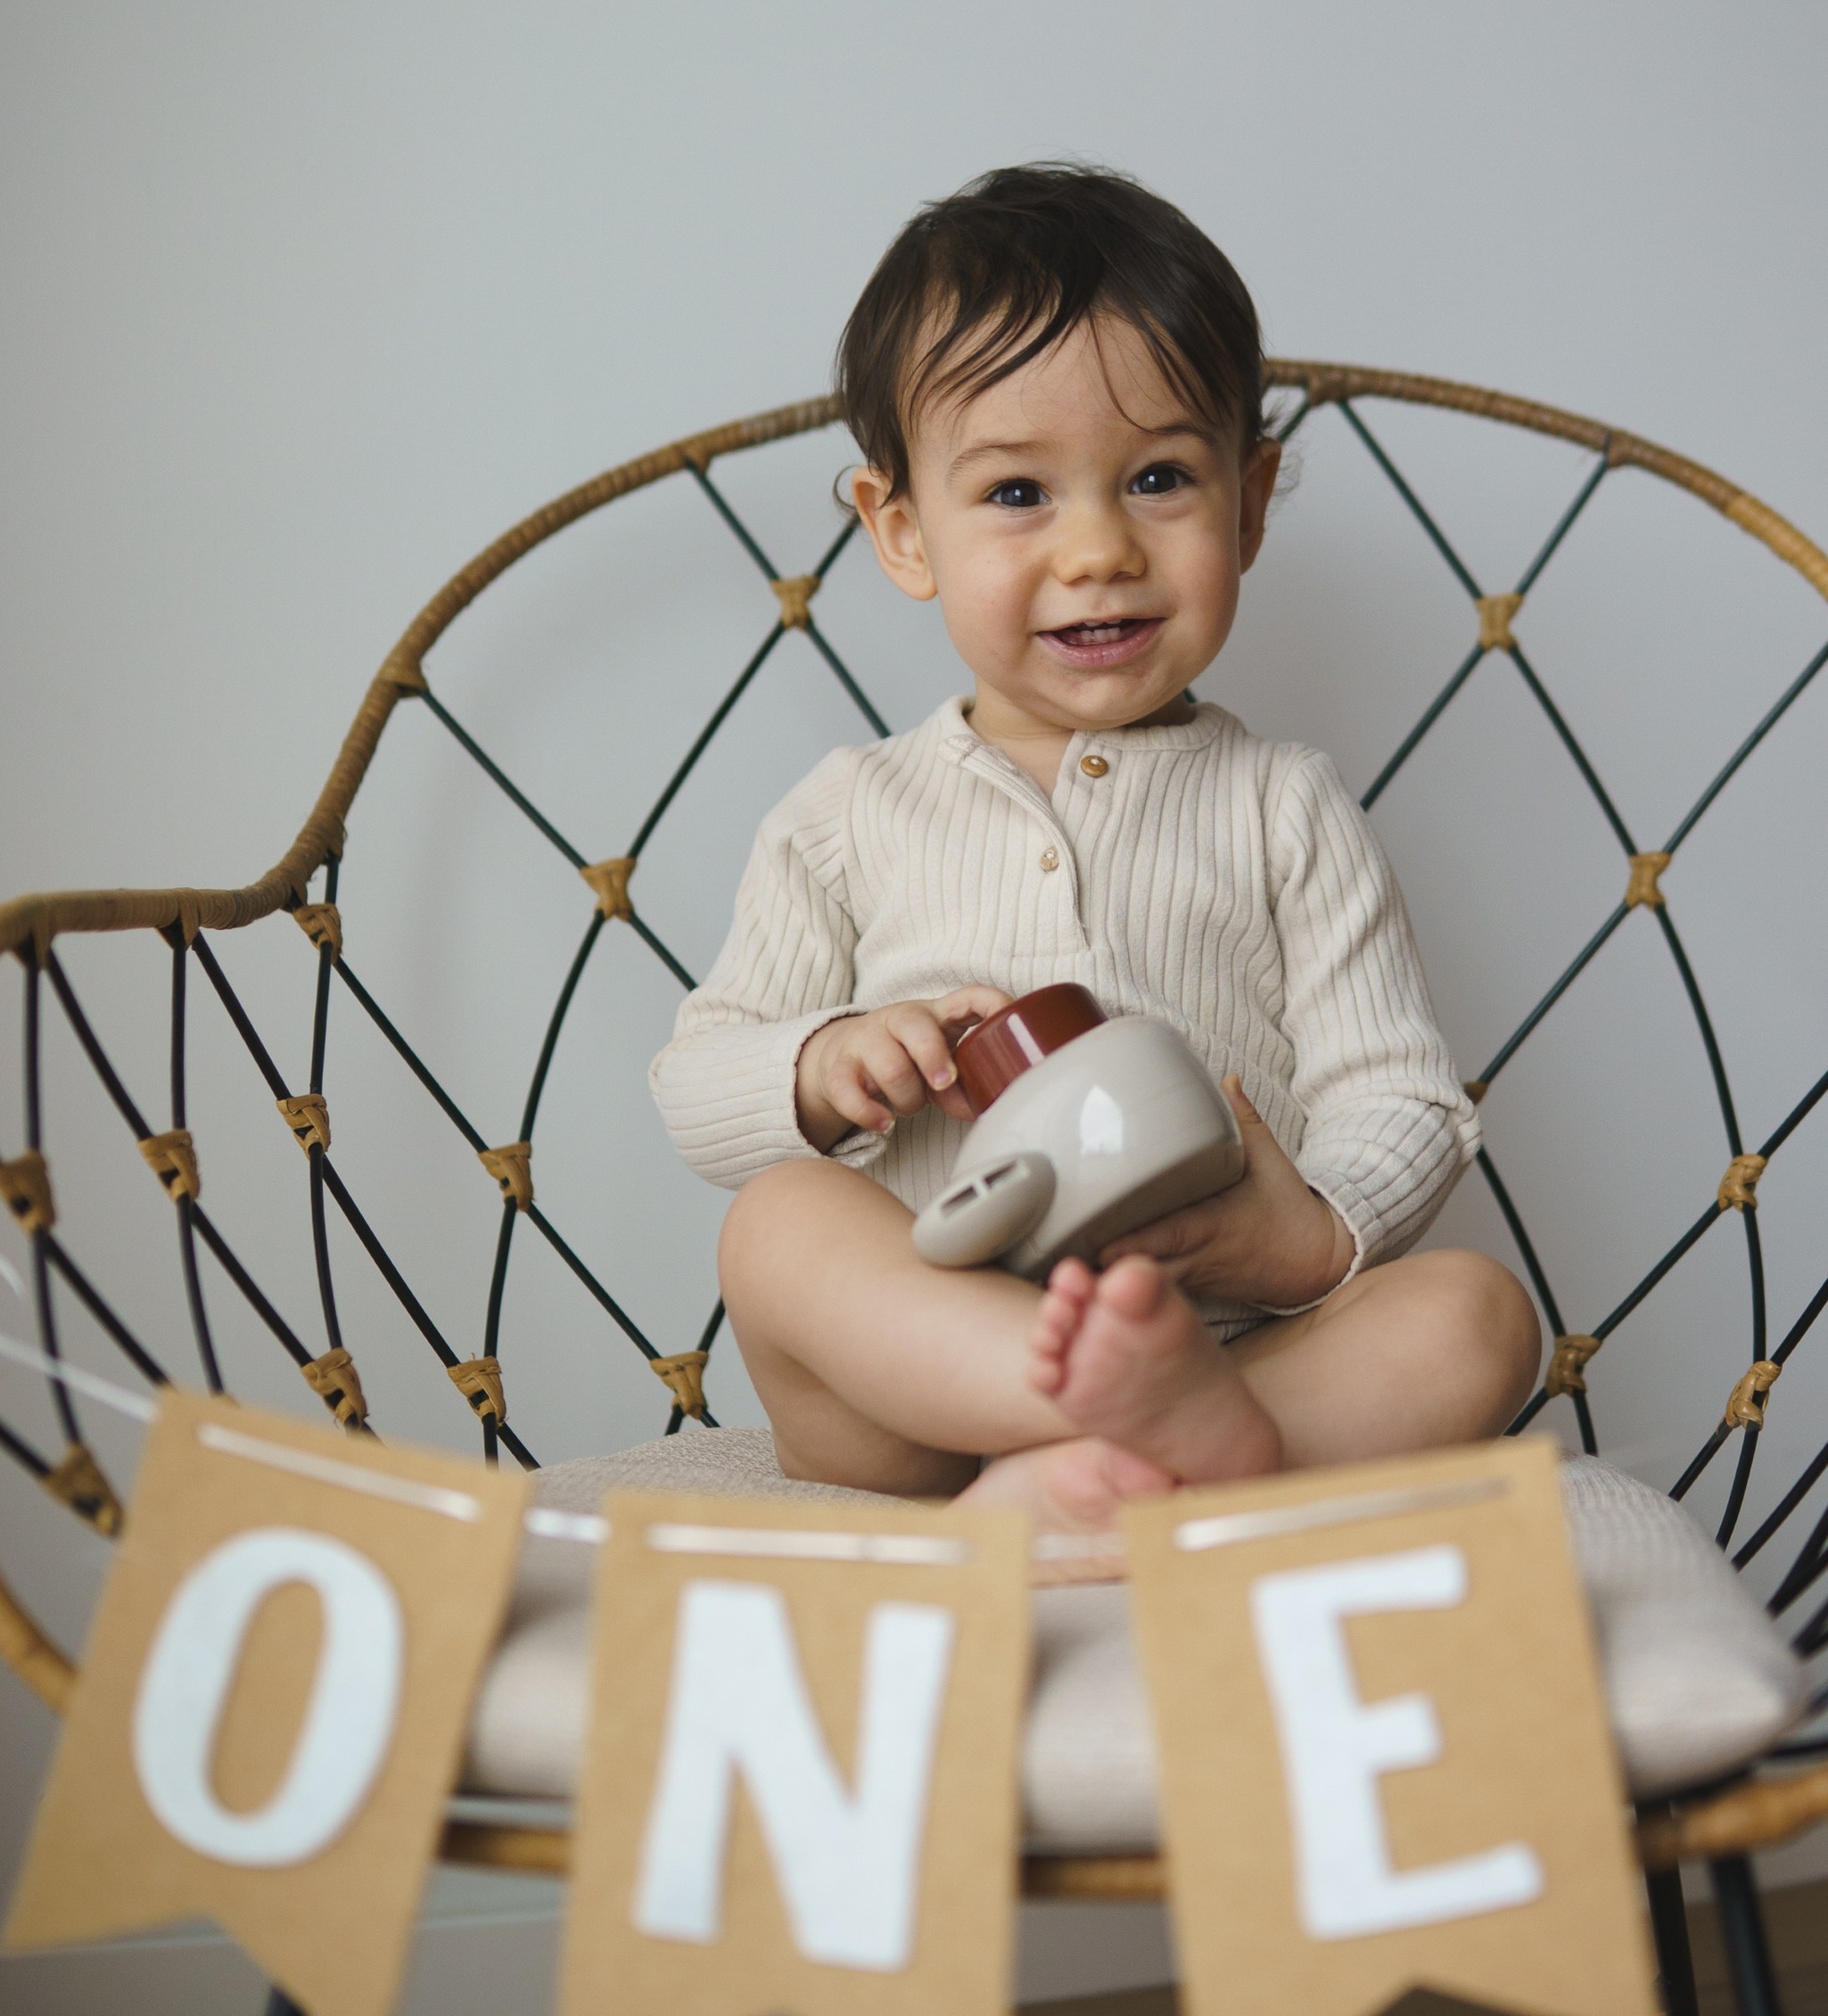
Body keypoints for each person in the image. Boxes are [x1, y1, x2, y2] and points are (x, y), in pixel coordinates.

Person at [651, 165, 1542, 1528]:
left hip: (1231, 1345)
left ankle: (1122, 1465)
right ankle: (1105, 1427)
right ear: (901, 531)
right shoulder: (848, 812)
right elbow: (697, 1081)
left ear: (1249, 504)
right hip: (909, 1391)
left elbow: (1403, 1100)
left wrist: (1305, 1237)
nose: (1099, 549)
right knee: (775, 1224)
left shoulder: (1283, 807)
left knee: (1477, 1315)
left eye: (1161, 479)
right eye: (1017, 494)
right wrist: (827, 1064)